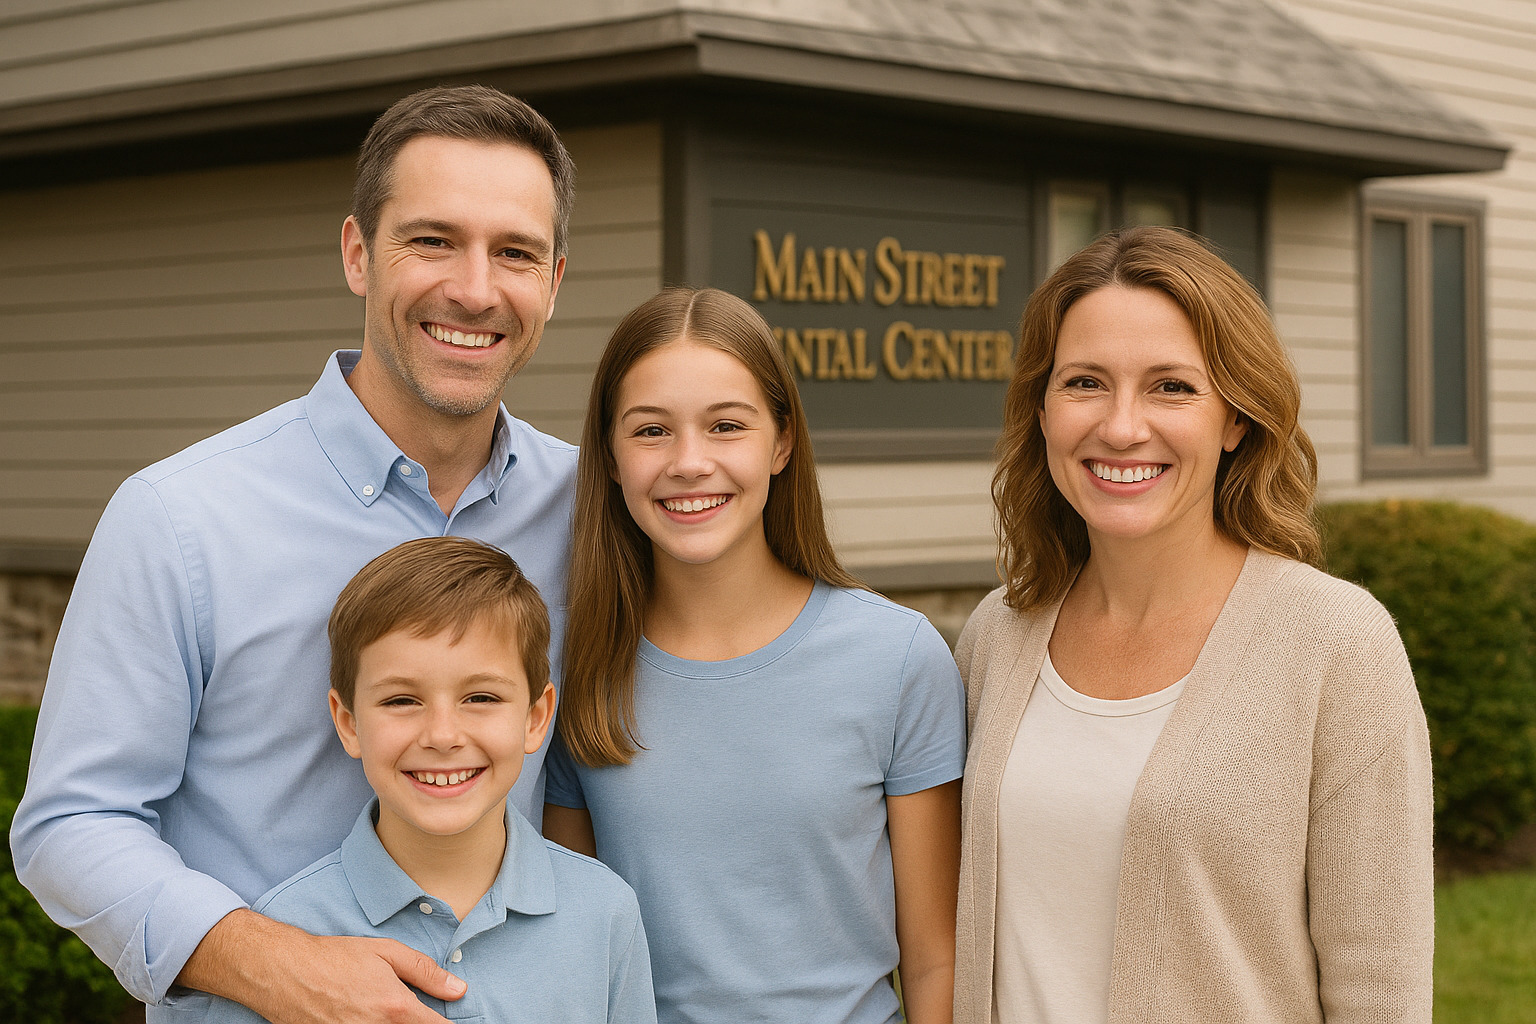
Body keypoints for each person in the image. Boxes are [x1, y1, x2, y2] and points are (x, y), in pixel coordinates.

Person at [11, 85, 577, 1024]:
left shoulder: (590, 510)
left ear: (554, 284)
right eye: (432, 240)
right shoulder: (180, 517)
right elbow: (71, 825)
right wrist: (281, 969)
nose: (475, 289)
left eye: (513, 252)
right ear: (359, 254)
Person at [954, 226, 1434, 1024]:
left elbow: (1380, 985)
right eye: (1085, 383)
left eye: (1171, 387)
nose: (1122, 426)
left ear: (1235, 418)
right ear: (1041, 410)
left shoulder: (1336, 644)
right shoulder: (996, 636)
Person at [541, 286, 966, 1024]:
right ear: (609, 456)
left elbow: (935, 959)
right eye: (651, 431)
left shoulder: (898, 659)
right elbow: (572, 943)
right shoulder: (577, 662)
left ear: (781, 442)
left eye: (726, 426)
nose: (689, 462)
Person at [198, 536, 656, 1024]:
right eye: (401, 700)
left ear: (536, 717)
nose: (442, 735)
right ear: (349, 722)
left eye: (480, 697)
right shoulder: (287, 934)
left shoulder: (604, 912)